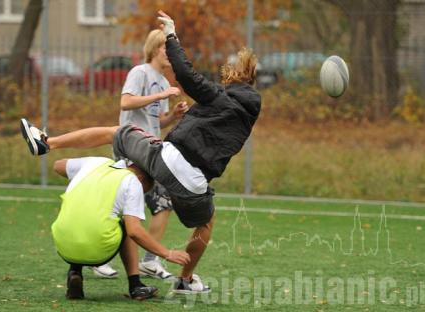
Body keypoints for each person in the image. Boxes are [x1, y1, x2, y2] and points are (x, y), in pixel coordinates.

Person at [20, 10, 261, 294]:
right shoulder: (247, 115)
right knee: (205, 223)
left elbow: (188, 75)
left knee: (115, 134)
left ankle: (47, 143)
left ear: (231, 84)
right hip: (193, 182)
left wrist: (172, 34)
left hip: (165, 158)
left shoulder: (222, 98)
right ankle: (183, 279)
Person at [93, 29, 188, 281]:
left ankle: (149, 261)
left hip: (151, 150)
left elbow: (157, 121)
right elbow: (126, 103)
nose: (172, 54)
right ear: (156, 48)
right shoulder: (140, 72)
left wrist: (173, 116)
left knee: (164, 203)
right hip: (131, 149)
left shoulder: (165, 82)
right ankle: (98, 258)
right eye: (167, 49)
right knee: (120, 208)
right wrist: (160, 95)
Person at [50, 156, 190, 300]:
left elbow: (58, 165)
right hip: (96, 249)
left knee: (81, 219)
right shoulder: (133, 181)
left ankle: (75, 271)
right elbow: (134, 232)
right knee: (127, 223)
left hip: (62, 243)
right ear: (141, 178)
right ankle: (135, 286)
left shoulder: (96, 162)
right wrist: (167, 253)